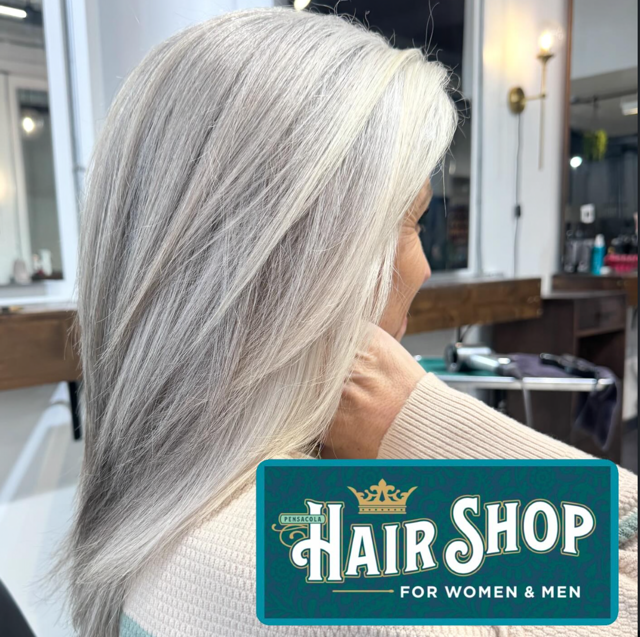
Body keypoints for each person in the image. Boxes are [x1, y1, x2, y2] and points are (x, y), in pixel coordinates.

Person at [61, 8, 637, 637]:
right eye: (412, 222)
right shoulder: (321, 571)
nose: (422, 267)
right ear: (315, 266)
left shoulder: (169, 519)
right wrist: (415, 421)